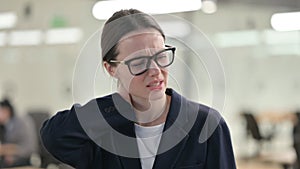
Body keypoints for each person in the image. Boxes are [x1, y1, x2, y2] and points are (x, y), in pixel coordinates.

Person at [40, 9, 236, 169]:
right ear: (111, 68)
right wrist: (115, 106)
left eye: (161, 56)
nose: (155, 70)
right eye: (140, 62)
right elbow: (54, 137)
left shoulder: (207, 125)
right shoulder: (102, 131)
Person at [0, 99, 38, 168]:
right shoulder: (4, 125)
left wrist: (12, 154)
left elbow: (29, 148)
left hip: (23, 157)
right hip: (8, 157)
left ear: (6, 111)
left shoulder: (22, 122)